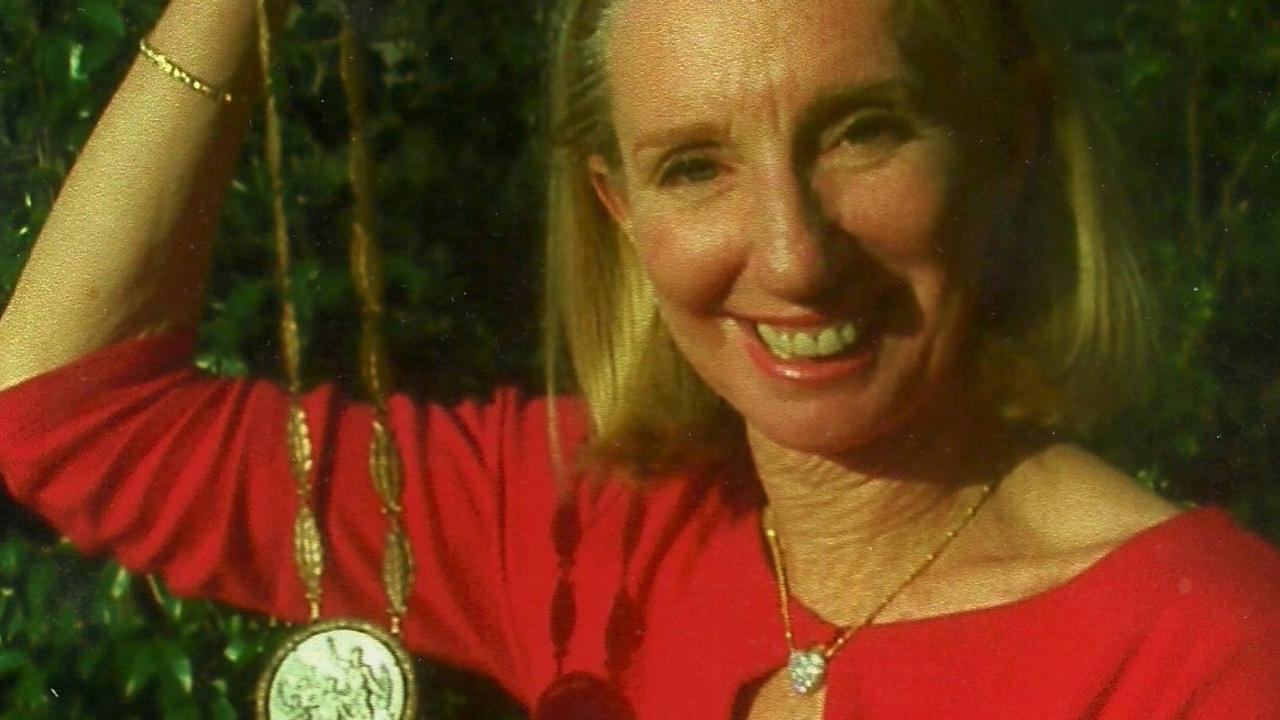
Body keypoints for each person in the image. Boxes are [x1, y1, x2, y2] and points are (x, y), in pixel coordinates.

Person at [0, 0, 1278, 717]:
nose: (789, 255)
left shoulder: (1202, 651)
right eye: (694, 166)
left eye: (862, 132)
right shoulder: (573, 516)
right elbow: (60, 410)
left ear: (1000, 149)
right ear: (619, 211)